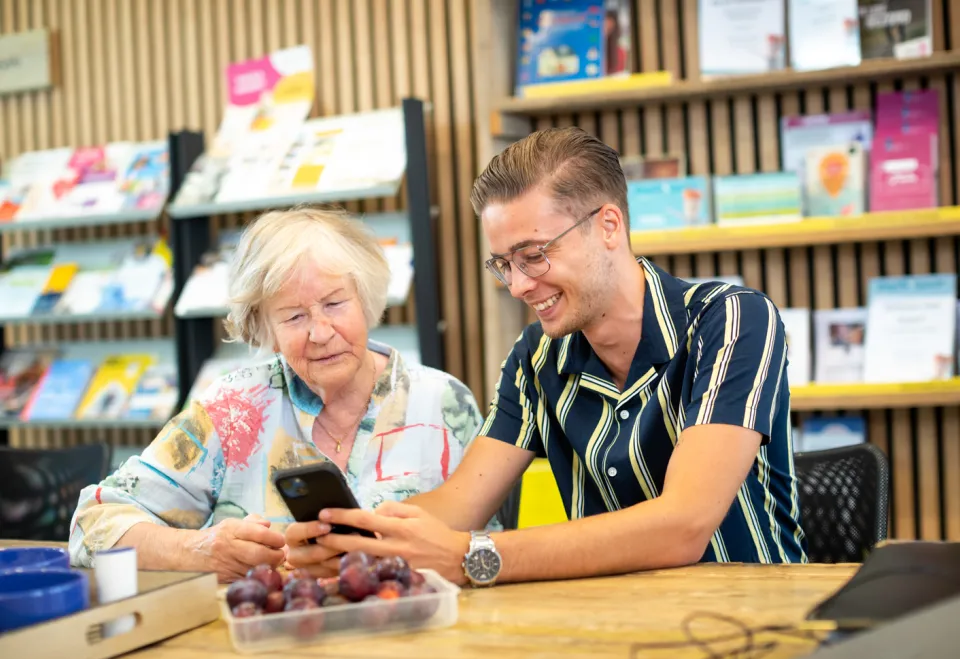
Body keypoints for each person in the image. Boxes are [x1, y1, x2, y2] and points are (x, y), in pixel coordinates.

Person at [285, 127, 808, 585]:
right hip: (616, 629)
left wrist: (473, 556)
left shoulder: (732, 320)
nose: (516, 285)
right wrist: (346, 541)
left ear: (608, 226)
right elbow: (458, 504)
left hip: (757, 625)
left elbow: (683, 526)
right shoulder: (536, 356)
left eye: (533, 256)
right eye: (502, 264)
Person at [68, 207, 485, 582]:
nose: (320, 333)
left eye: (335, 303)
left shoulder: (444, 403)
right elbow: (93, 522)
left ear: (366, 299)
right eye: (294, 316)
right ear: (264, 329)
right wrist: (200, 550)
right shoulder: (233, 407)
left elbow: (484, 552)